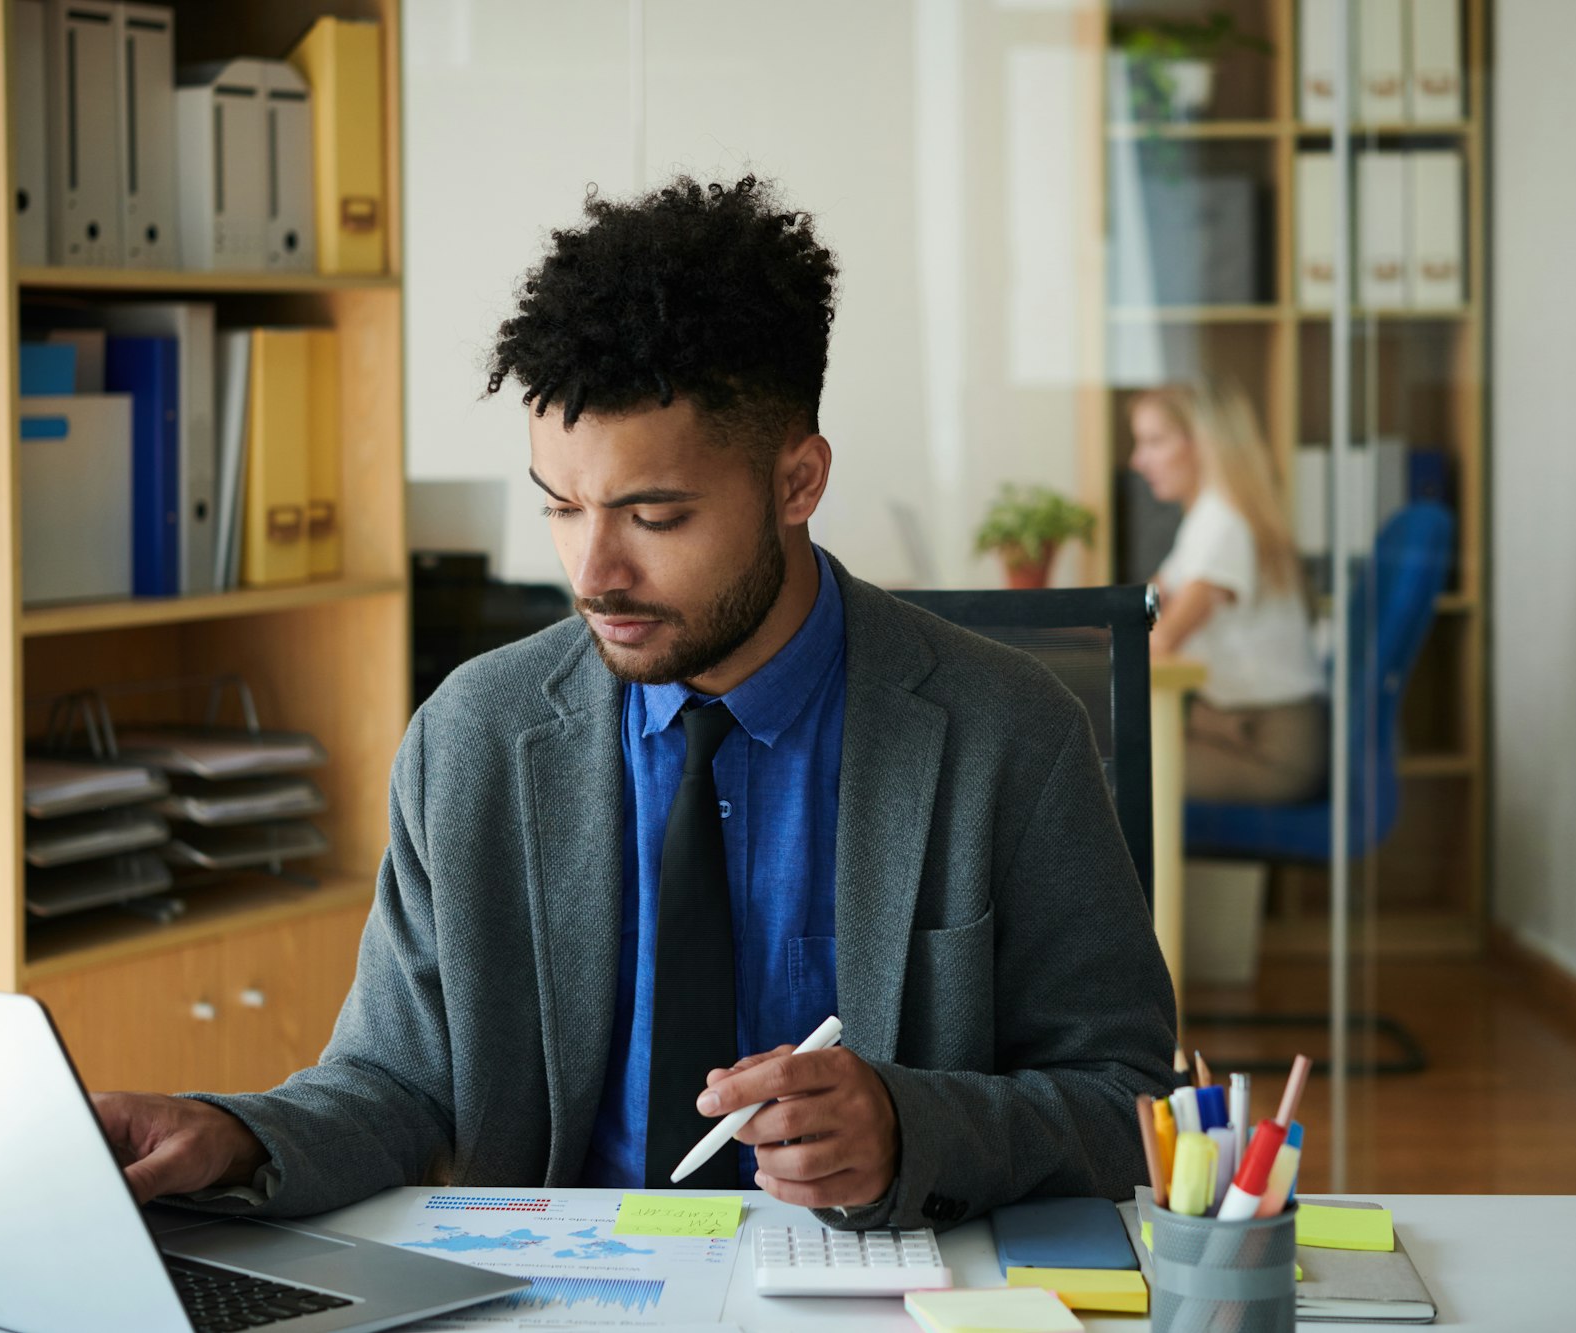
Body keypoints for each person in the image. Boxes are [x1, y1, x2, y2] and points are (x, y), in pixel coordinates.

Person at [92, 176, 1175, 1232]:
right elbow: (397, 1083)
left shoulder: (1006, 733)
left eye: (653, 515)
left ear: (797, 482)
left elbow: (1130, 1103)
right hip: (557, 1289)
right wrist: (235, 1134)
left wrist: (912, 1124)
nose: (592, 570)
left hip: (880, 1293)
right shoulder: (472, 736)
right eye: (563, 506)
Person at [1128, 378, 1328, 804]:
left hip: (1268, 749)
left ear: (1202, 443)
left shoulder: (1224, 526)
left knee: (1105, 778)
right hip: (1236, 734)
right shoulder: (1204, 521)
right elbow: (1140, 606)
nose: (1137, 461)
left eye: (1154, 442)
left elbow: (1163, 638)